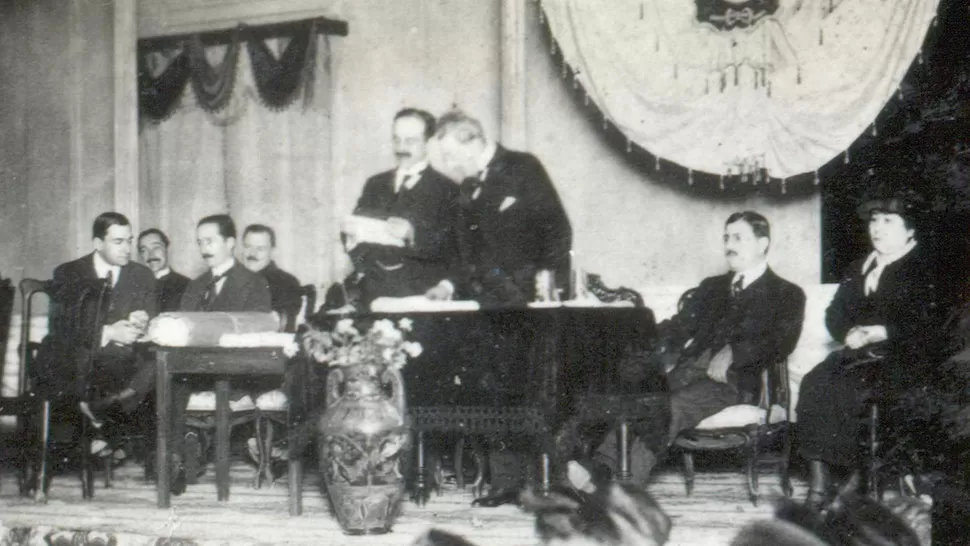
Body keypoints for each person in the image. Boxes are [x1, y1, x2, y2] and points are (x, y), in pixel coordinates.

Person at [594, 212, 805, 484]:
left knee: (671, 407)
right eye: (726, 238)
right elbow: (679, 326)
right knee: (638, 397)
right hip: (688, 373)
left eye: (738, 238)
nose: (729, 245)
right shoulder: (713, 287)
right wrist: (639, 340)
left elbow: (781, 341)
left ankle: (626, 488)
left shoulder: (786, 293)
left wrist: (734, 352)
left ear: (762, 244)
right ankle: (598, 473)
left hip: (735, 383)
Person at [797, 191, 941, 510]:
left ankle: (857, 481)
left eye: (888, 221)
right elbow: (835, 314)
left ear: (910, 229)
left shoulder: (925, 268)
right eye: (874, 220)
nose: (877, 227)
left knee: (852, 391)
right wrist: (848, 331)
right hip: (859, 355)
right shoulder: (858, 267)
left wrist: (882, 331)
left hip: (905, 357)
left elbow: (932, 324)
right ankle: (819, 484)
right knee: (814, 382)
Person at [33, 213, 158, 460]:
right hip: (82, 362)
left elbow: (151, 322)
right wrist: (109, 332)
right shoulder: (69, 273)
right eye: (118, 242)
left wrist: (142, 324)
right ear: (98, 243)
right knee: (60, 356)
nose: (127, 249)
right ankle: (105, 426)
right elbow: (59, 328)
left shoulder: (142, 275)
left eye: (129, 241)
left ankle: (101, 417)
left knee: (158, 361)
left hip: (124, 362)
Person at [169, 214, 272, 494]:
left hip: (233, 370)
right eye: (200, 242)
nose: (204, 248)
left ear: (229, 242)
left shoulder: (255, 282)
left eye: (210, 241)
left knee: (170, 379)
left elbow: (256, 330)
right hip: (193, 368)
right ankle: (176, 458)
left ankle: (184, 448)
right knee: (170, 378)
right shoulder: (195, 285)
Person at [426, 109, 572, 305]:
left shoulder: (523, 166)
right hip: (482, 303)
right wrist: (447, 286)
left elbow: (558, 232)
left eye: (450, 155)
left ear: (472, 144)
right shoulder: (467, 186)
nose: (450, 165)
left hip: (526, 302)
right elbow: (466, 251)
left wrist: (546, 293)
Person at [345, 108, 460, 306]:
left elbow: (456, 250)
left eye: (410, 141)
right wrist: (351, 237)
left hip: (422, 295)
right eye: (396, 139)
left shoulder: (448, 189)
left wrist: (412, 234)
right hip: (374, 294)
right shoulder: (375, 184)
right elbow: (355, 238)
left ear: (428, 143)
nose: (401, 148)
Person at [241, 224, 303, 332]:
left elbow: (284, 326)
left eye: (260, 249)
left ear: (273, 251)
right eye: (247, 246)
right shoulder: (231, 279)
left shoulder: (286, 282)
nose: (252, 253)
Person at [137, 228, 189, 313]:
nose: (151, 255)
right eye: (144, 250)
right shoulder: (134, 286)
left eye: (156, 247)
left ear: (167, 249)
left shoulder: (187, 286)